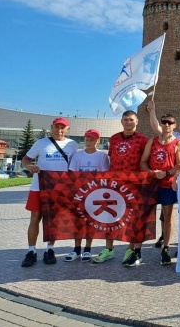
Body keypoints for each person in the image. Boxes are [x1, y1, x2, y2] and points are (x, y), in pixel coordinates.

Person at [21, 117, 78, 267]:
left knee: (53, 219)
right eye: (56, 127)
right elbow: (25, 159)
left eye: (62, 128)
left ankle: (50, 249)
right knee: (35, 218)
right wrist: (29, 167)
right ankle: (31, 251)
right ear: (51, 127)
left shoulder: (72, 145)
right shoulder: (41, 143)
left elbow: (74, 167)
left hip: (59, 189)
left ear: (67, 129)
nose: (59, 130)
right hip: (38, 186)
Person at [97, 110, 148, 266]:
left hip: (134, 185)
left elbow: (145, 161)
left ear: (137, 121)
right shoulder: (114, 138)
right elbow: (111, 159)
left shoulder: (143, 140)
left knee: (132, 218)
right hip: (115, 184)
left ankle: (131, 248)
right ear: (121, 121)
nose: (128, 122)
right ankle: (108, 249)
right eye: (126, 119)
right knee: (110, 217)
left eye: (131, 120)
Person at [140, 113, 180, 265]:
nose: (166, 125)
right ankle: (137, 249)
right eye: (164, 122)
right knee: (145, 214)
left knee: (167, 215)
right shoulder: (152, 141)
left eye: (170, 123)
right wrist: (152, 173)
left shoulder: (178, 143)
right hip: (152, 182)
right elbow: (143, 162)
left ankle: (166, 248)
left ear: (174, 125)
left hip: (168, 183)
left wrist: (165, 173)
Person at [66, 129, 110, 262]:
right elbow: (72, 175)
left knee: (90, 222)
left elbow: (105, 176)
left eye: (92, 140)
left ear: (98, 141)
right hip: (79, 194)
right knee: (78, 222)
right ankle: (76, 248)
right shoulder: (77, 156)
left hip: (94, 194)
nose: (89, 142)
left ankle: (87, 249)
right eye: (87, 139)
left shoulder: (102, 156)